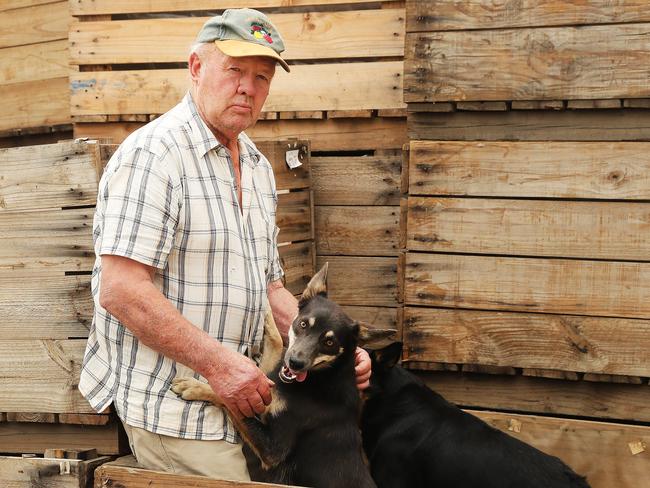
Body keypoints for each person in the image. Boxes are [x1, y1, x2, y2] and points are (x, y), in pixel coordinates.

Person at [78, 8, 371, 481]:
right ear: (196, 67)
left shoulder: (254, 165)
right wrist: (220, 367)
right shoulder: (154, 156)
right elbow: (121, 290)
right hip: (176, 407)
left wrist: (327, 349)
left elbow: (269, 286)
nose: (248, 88)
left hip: (246, 402)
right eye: (234, 70)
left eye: (262, 77)